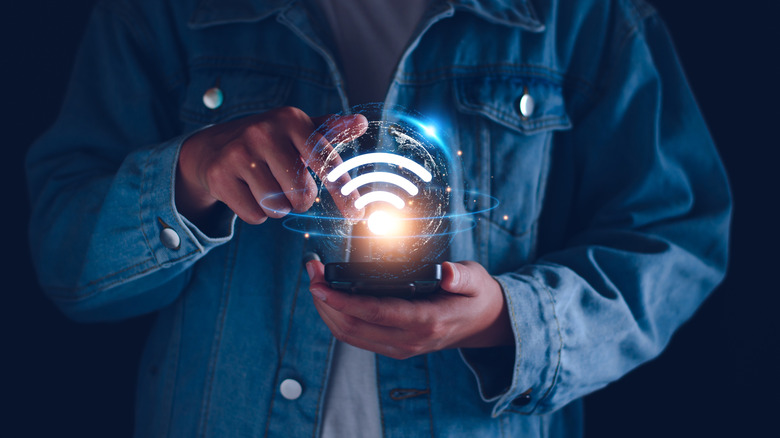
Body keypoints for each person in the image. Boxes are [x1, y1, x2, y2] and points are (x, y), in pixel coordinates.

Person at [26, 0, 731, 436]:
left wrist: (505, 321)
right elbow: (67, 266)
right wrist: (189, 174)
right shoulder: (165, 11)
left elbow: (675, 241)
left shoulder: (582, 16)